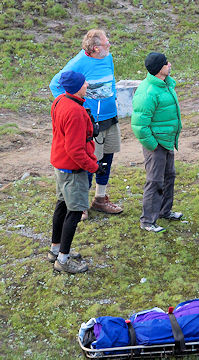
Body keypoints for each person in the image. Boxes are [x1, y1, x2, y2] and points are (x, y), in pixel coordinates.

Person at [49, 29, 122, 221]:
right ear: (96, 48)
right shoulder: (77, 63)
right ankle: (81, 205)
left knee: (107, 159)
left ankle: (100, 198)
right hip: (92, 122)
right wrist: (72, 106)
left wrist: (113, 96)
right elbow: (55, 85)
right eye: (107, 43)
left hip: (110, 117)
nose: (110, 45)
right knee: (91, 161)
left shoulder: (108, 57)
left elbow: (111, 79)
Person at [48, 71, 106, 274]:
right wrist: (94, 166)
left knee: (62, 205)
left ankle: (55, 250)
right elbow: (75, 150)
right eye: (84, 82)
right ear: (77, 86)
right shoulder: (75, 111)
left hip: (60, 165)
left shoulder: (59, 101)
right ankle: (63, 260)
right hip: (73, 170)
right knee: (74, 212)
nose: (87, 84)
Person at [131, 52, 183, 233]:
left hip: (167, 141)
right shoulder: (148, 92)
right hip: (157, 144)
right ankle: (147, 221)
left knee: (169, 176)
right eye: (166, 63)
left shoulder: (165, 84)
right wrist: (154, 146)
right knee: (154, 181)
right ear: (159, 68)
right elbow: (139, 126)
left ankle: (164, 211)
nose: (170, 64)